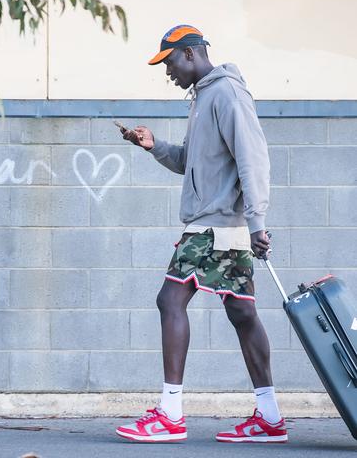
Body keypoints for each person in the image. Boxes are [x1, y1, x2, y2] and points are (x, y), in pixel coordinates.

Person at [114, 25, 287, 444]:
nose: (167, 72)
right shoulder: (204, 98)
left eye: (170, 62)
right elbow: (188, 162)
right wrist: (153, 145)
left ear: (191, 54)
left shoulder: (226, 93)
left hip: (215, 225)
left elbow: (253, 158)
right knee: (242, 314)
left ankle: (170, 415)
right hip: (222, 226)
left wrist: (257, 221)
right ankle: (269, 418)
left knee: (170, 299)